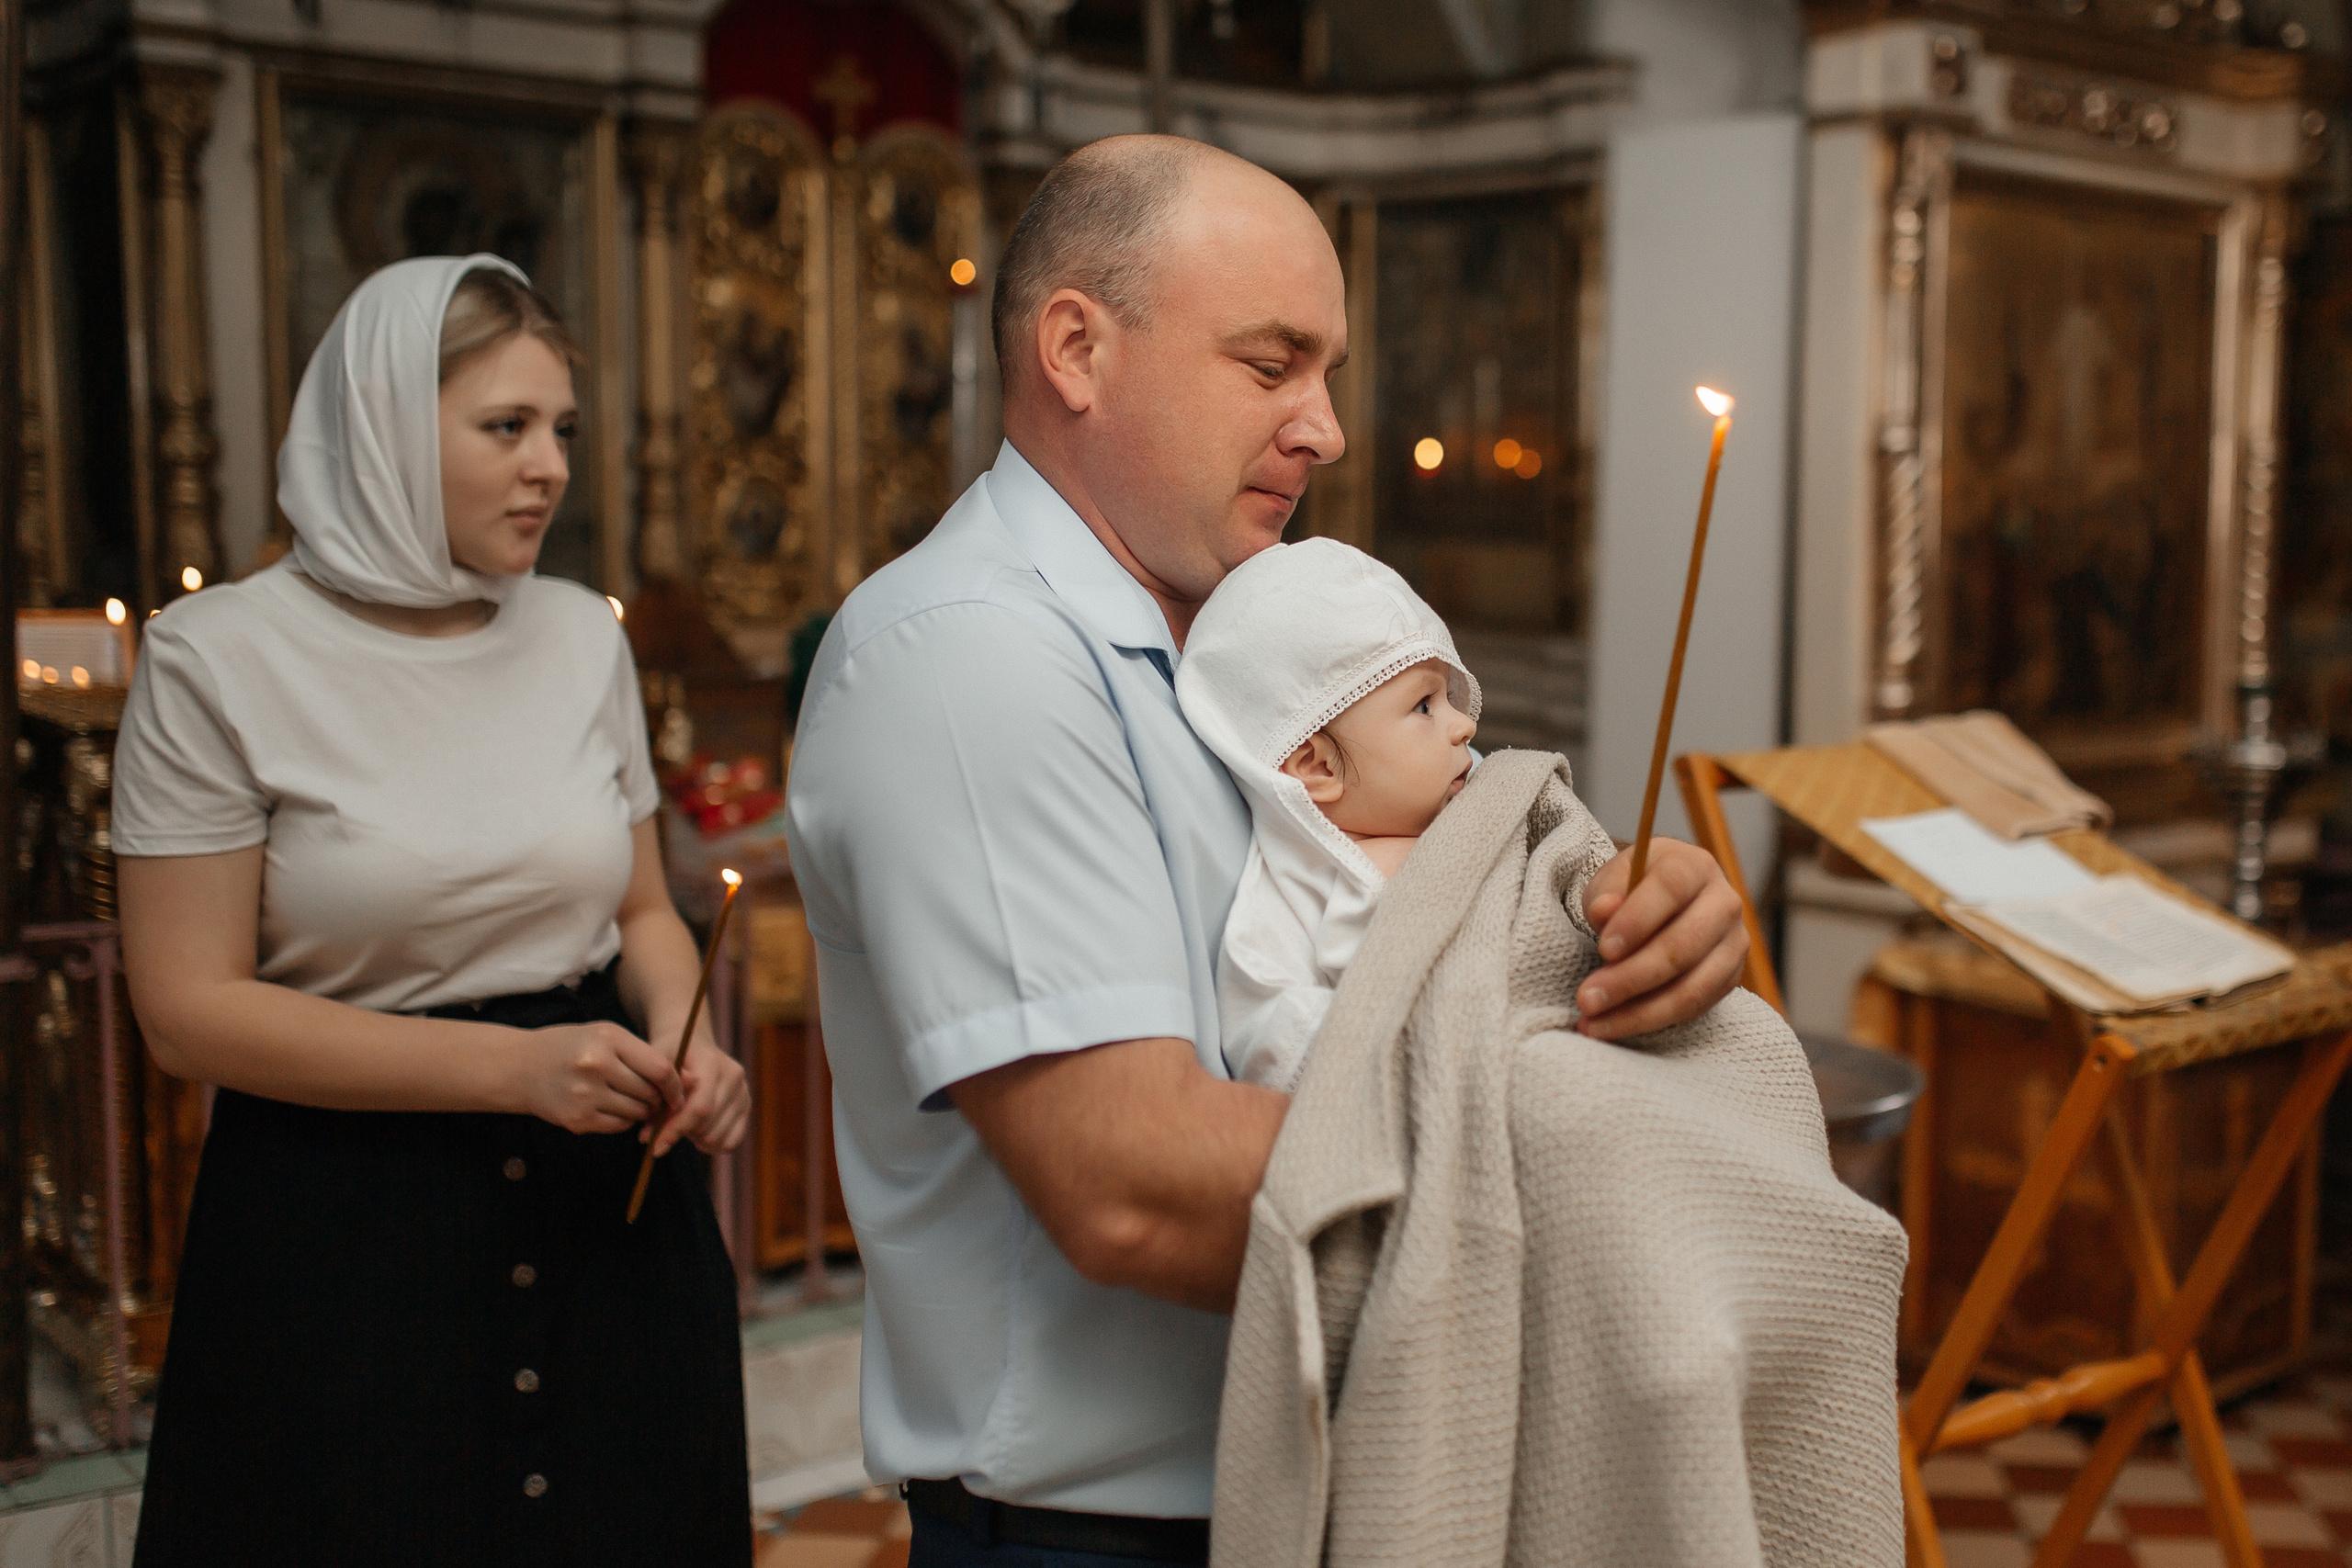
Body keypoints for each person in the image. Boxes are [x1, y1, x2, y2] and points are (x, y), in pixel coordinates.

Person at [783, 135, 1748, 1567]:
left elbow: (1387, 890)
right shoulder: (968, 655)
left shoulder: (1245, 633)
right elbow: (1131, 1179)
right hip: (1105, 1529)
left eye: (1331, 372)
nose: (1327, 429)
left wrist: (1618, 912)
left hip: (1340, 1463)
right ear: (1076, 349)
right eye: (1272, 363)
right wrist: (1604, 1148)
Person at [114, 255, 753, 1568]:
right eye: (505, 427)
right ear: (387, 429)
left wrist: (687, 1034)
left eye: (561, 429)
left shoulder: (581, 634)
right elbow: (186, 1012)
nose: (551, 468)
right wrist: (511, 1068)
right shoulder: (218, 658)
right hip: (347, 1214)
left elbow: (638, 905)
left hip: (609, 1210)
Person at [1174, 536, 1508, 1092]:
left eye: (1449, 699)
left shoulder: (1485, 799)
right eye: (1424, 706)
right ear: (1318, 767)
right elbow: (1275, 1043)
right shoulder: (1290, 899)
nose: (1464, 727)